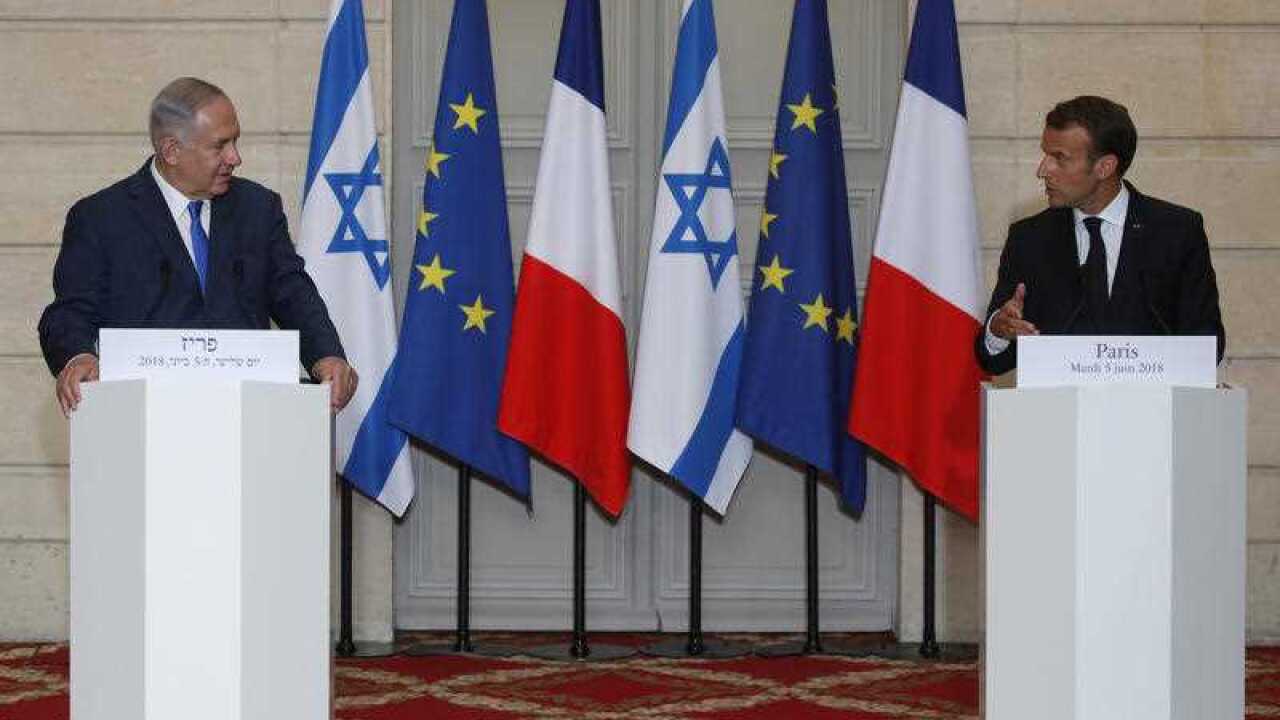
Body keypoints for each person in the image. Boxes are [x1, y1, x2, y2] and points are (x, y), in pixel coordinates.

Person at [39, 77, 357, 416]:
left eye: (236, 141)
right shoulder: (101, 218)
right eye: (220, 146)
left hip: (249, 418)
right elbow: (69, 311)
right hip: (142, 421)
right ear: (172, 151)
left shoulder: (258, 208)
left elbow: (293, 293)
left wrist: (326, 354)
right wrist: (78, 357)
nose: (236, 157)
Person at [975, 95, 1226, 375]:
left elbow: (1208, 344)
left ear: (1104, 167)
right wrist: (999, 330)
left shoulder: (1176, 232)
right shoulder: (1029, 238)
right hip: (1055, 414)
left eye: (1059, 158)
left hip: (1152, 412)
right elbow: (993, 360)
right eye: (1045, 154)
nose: (1042, 170)